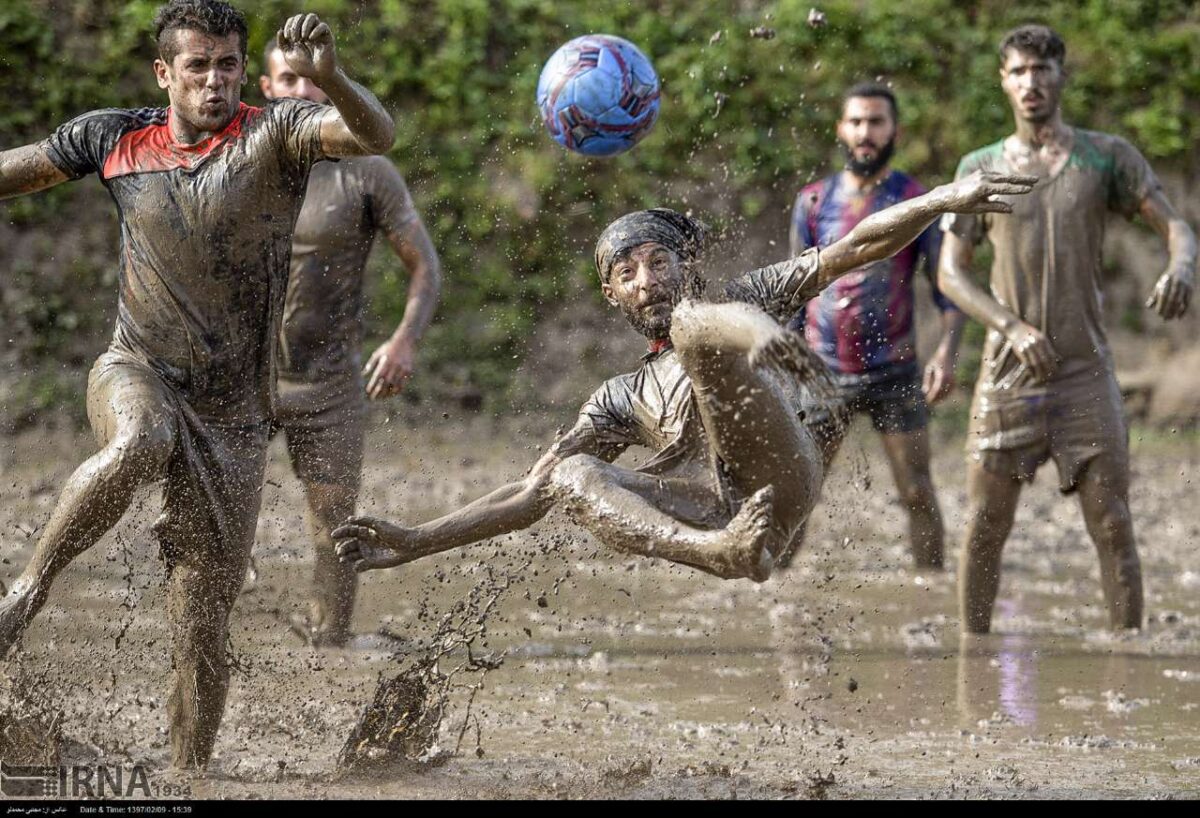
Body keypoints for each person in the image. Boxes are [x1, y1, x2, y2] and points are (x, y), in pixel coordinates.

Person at [0, 0, 395, 769]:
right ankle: (24, 593)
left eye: (227, 65)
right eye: (197, 66)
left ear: (243, 70)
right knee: (141, 438)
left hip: (236, 415)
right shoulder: (114, 138)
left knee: (202, 628)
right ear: (165, 73)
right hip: (135, 369)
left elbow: (377, 135)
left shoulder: (276, 133)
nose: (214, 81)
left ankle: (192, 776)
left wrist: (331, 75)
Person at [333, 171, 1034, 582]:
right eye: (626, 273)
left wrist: (942, 197)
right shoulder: (618, 397)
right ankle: (717, 553)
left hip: (777, 478)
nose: (646, 281)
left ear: (686, 263)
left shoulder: (745, 292)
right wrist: (416, 541)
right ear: (611, 295)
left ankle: (760, 345)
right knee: (567, 477)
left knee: (701, 325)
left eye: (658, 262)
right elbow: (526, 494)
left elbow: (858, 245)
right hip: (717, 520)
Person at [938, 25, 1196, 634]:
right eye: (1019, 71)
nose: (1031, 83)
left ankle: (1127, 656)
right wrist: (1011, 325)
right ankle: (972, 661)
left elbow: (1176, 227)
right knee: (984, 529)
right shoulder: (980, 167)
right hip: (1007, 375)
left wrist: (1181, 264)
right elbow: (951, 274)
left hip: (1085, 373)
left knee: (1113, 525)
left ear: (1061, 76)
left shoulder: (1106, 157)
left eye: (1043, 69)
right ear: (1003, 81)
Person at [259, 40, 442, 647]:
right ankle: (212, 636)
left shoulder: (366, 170)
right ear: (266, 88)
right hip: (241, 382)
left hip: (330, 385)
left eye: (314, 81)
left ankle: (328, 642)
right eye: (290, 79)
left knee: (334, 526)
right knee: (213, 520)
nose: (303, 92)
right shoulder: (237, 161)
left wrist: (403, 342)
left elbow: (425, 267)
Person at [786, 82, 964, 569]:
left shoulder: (915, 200)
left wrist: (947, 353)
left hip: (895, 371)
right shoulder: (814, 202)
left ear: (895, 131)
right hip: (821, 371)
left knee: (916, 491)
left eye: (876, 122)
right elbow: (794, 292)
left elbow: (946, 289)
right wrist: (787, 363)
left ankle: (930, 587)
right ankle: (768, 590)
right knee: (796, 496)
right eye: (857, 122)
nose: (866, 133)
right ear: (841, 129)